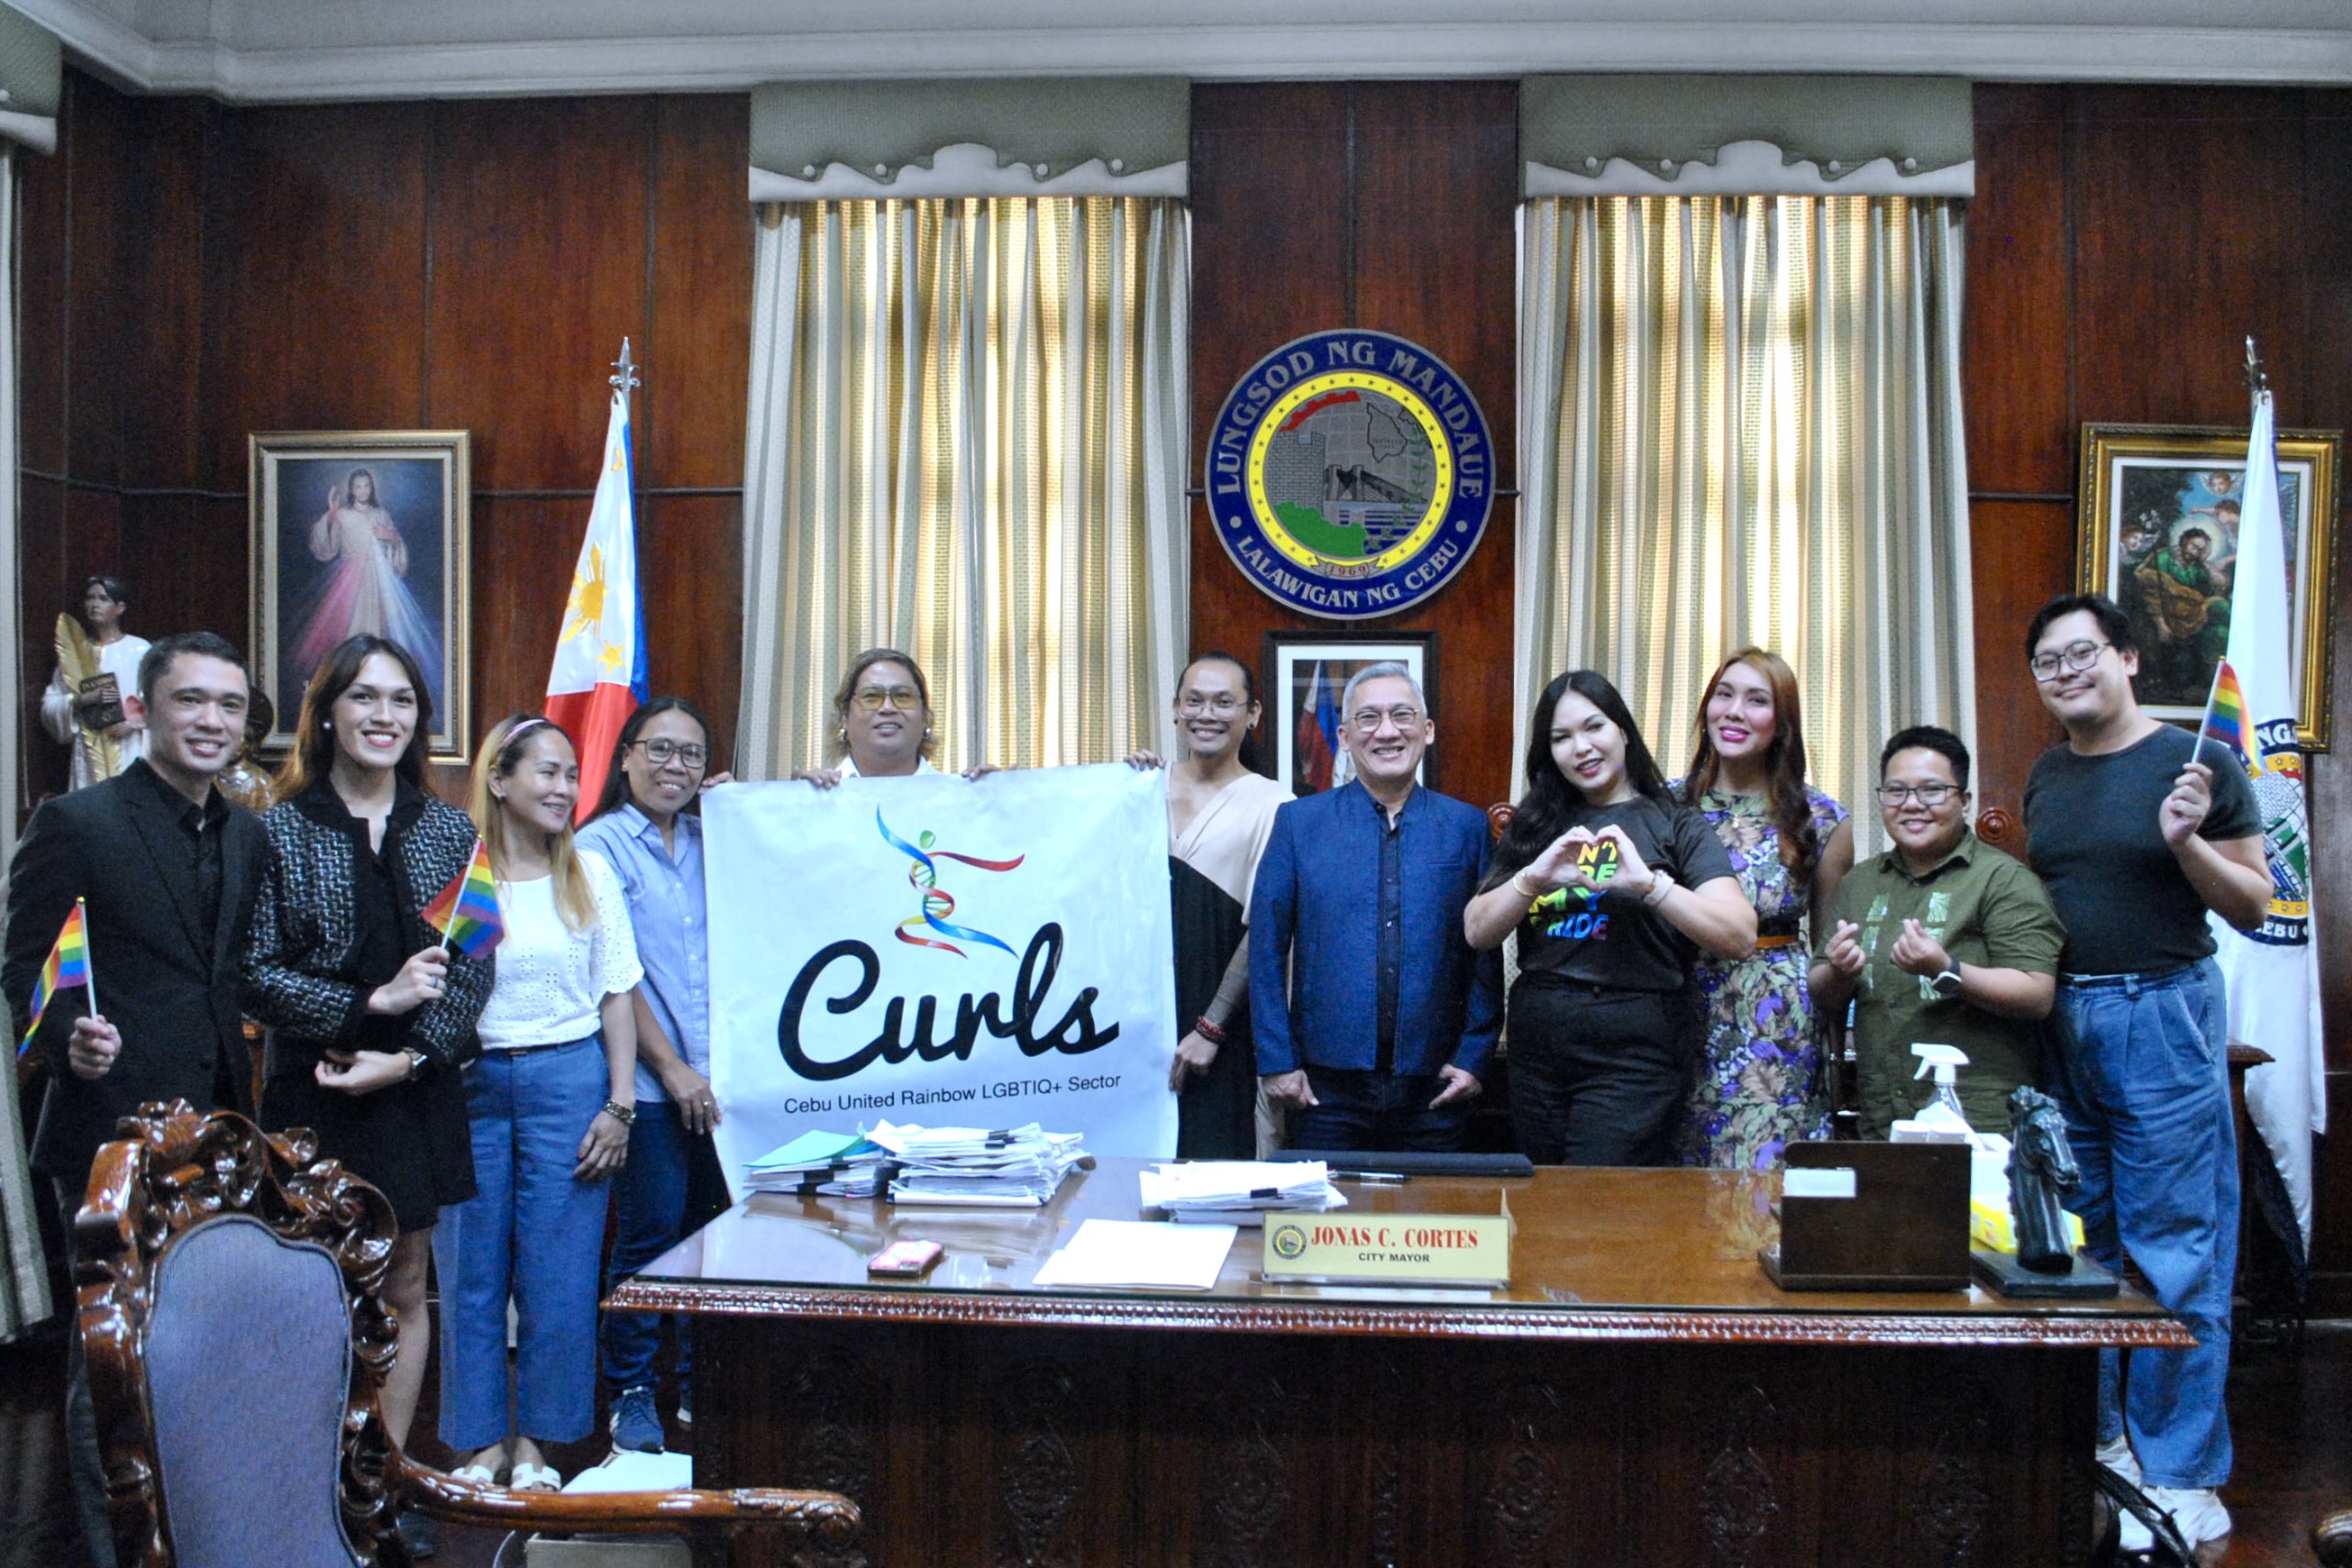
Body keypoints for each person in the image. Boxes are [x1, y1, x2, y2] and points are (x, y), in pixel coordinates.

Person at [5, 630, 267, 1568]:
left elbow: (232, 976)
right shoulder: (77, 822)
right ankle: (110, 1551)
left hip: (217, 1134)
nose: (210, 720)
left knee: (191, 1351)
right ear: (143, 710)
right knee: (104, 1362)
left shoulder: (247, 831)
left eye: (229, 706)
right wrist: (66, 1036)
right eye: (191, 700)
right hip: (105, 1134)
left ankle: (184, 1533)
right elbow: (27, 968)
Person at [2021, 591, 2268, 1554]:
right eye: (2049, 662)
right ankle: (2115, 1446)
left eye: (2083, 653)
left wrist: (2185, 842)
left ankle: (2183, 1475)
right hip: (2067, 1019)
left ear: (2127, 658)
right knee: (2084, 1250)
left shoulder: (2197, 762)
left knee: (2178, 1253)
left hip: (2161, 1012)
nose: (2067, 672)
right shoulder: (2047, 774)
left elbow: (2254, 906)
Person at [242, 634, 489, 1561]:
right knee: (312, 1295)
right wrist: (367, 1005)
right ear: (330, 713)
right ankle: (304, 1493)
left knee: (405, 1285)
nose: (385, 717)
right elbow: (255, 974)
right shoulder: (276, 828)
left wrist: (413, 1057)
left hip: (412, 1091)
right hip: (316, 1096)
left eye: (402, 702)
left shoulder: (449, 830)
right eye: (365, 699)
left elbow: (474, 970)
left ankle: (377, 1490)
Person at [435, 715, 640, 1494]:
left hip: (569, 1084)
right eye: (545, 773)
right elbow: (440, 992)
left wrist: (619, 1105)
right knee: (470, 1274)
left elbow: (617, 993)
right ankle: (479, 1440)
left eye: (568, 775)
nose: (563, 788)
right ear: (499, 780)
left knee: (557, 1275)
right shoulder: (462, 874)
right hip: (470, 1086)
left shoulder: (587, 871)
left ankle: (541, 1446)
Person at [1465, 670, 1755, 1166]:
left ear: (1622, 730)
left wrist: (1648, 884)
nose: (1581, 747)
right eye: (1561, 738)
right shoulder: (1537, 823)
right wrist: (1535, 877)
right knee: (1545, 1199)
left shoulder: (1674, 820)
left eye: (1593, 727)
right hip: (1539, 1043)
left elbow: (1739, 934)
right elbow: (1477, 929)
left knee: (1597, 1203)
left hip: (1635, 1048)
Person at [1249, 661, 1501, 1152]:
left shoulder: (1467, 828)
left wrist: (1475, 1056)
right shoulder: (1298, 825)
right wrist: (1277, 1060)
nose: (1387, 731)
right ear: (1344, 737)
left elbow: (1483, 956)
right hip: (1324, 1092)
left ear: (1426, 731)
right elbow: (1266, 948)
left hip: (1435, 1088)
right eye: (1368, 719)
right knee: (1324, 1227)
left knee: (1433, 1227)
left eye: (1402, 715)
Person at [578, 697, 732, 1455]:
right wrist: (669, 1069)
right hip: (648, 1084)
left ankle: (707, 1381)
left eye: (692, 755)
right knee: (648, 1241)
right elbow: (616, 976)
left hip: (726, 1088)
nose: (676, 767)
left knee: (719, 1242)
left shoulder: (718, 843)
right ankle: (632, 1388)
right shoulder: (598, 847)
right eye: (661, 750)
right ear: (627, 756)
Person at [1810, 725, 2063, 1137]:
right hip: (1882, 1112)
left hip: (1976, 1116)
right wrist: (1839, 970)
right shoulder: (1861, 883)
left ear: (1963, 801)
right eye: (1896, 791)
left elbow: (2035, 994)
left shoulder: (2002, 880)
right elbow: (1823, 992)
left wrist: (1945, 969)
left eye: (1931, 791)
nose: (1912, 805)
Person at [1673, 648, 1853, 1170]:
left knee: (1764, 1179)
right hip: (1679, 1005)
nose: (1734, 711)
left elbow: (1826, 953)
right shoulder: (1664, 805)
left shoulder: (1823, 818)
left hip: (1775, 1024)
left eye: (1756, 701)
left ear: (1782, 725)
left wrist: (1842, 972)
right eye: (1723, 695)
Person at [1162, 652, 1292, 1159]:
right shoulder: (1139, 788)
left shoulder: (1275, 804)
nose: (1206, 714)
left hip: (1219, 1030)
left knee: (1213, 1173)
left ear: (1252, 713)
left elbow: (1265, 928)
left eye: (1223, 702)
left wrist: (1210, 1027)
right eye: (1193, 701)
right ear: (1176, 708)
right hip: (1137, 1023)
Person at [293, 467, 442, 703]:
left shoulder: (381, 514)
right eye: (358, 486)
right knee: (349, 631)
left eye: (366, 485)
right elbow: (325, 549)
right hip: (351, 580)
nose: (363, 490)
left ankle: (377, 683)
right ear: (351, 490)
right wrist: (330, 517)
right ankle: (349, 685)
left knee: (382, 633)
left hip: (381, 581)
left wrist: (392, 539)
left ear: (371, 488)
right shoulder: (342, 515)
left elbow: (398, 552)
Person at [41, 575, 151, 791]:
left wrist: (135, 722)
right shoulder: (76, 655)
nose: (94, 604)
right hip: (89, 748)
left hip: (131, 745)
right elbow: (50, 705)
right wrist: (80, 700)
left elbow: (161, 699)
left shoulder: (139, 650)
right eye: (90, 598)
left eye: (103, 598)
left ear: (120, 607)